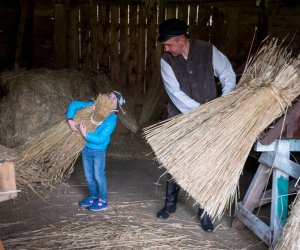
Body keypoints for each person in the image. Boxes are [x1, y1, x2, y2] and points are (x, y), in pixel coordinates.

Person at [156, 18, 236, 232]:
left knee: (207, 164)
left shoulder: (207, 50)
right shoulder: (166, 61)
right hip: (180, 119)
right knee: (175, 162)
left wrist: (224, 103)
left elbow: (228, 74)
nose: (166, 48)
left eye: (169, 44)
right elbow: (175, 94)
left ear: (182, 39)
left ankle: (205, 212)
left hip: (211, 120)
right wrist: (202, 111)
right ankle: (170, 204)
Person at [66, 91, 125, 212]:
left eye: (114, 99)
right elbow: (74, 104)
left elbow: (100, 139)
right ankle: (93, 197)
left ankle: (102, 200)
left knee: (98, 176)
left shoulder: (111, 119)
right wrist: (70, 119)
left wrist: (85, 134)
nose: (110, 98)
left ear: (117, 108)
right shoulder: (94, 105)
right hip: (86, 148)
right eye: (109, 95)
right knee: (89, 176)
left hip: (98, 151)